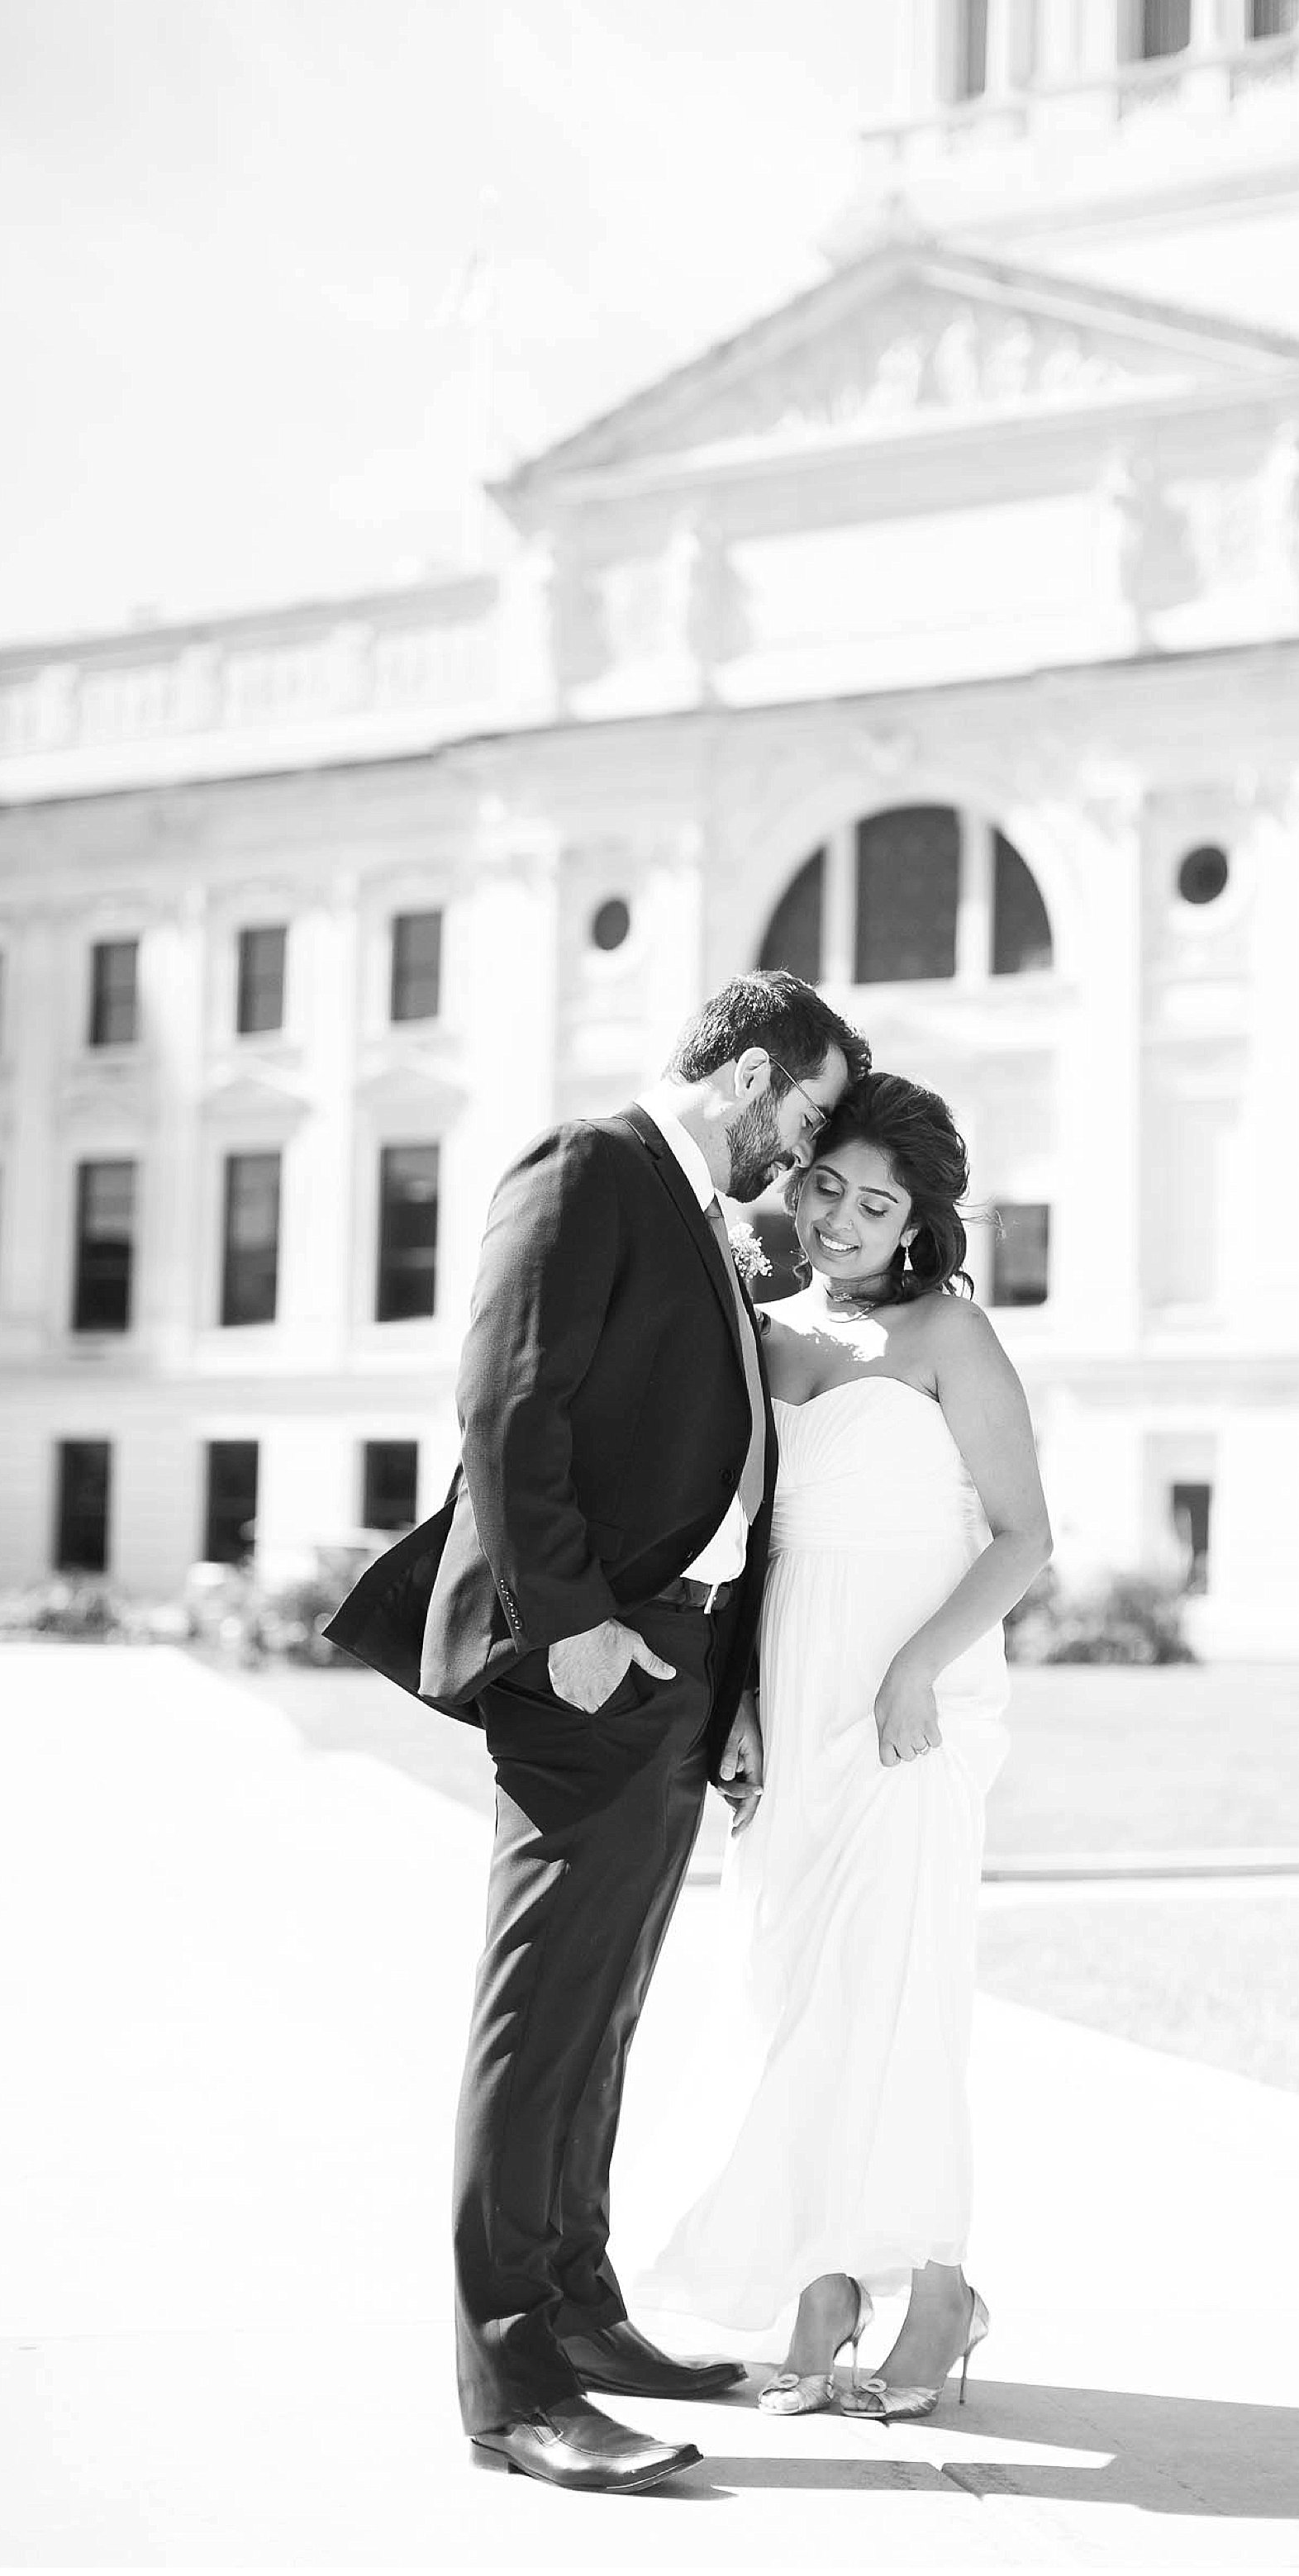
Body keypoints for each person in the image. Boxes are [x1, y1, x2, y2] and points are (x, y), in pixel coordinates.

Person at [325, 972, 869, 2495]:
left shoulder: (702, 1215)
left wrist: (729, 1678)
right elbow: (507, 1404)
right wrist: (568, 1630)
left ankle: (579, 2310)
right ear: (752, 1074)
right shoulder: (587, 1169)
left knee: (608, 2007)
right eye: (809, 1112)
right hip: (590, 1660)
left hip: (678, 1663)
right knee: (543, 2015)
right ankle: (510, 2383)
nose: (805, 1148)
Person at [641, 1071, 1051, 2422]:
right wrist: (742, 1702)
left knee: (898, 1997)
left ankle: (939, 2291)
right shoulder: (757, 1338)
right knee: (790, 1998)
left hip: (912, 1706)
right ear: (797, 1177)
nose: (841, 1217)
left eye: (877, 1203)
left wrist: (918, 1669)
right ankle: (823, 2293)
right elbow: (744, 1544)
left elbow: (1024, 1536)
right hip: (789, 1692)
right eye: (826, 1185)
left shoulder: (948, 1333)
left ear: (914, 1221)